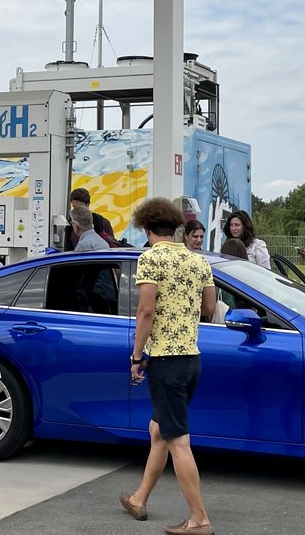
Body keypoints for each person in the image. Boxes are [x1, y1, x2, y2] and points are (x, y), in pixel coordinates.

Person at [121, 197, 216, 535]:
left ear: (145, 228)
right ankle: (138, 498)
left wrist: (136, 355)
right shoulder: (198, 261)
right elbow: (208, 307)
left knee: (177, 440)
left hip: (165, 361)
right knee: (159, 430)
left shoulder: (150, 259)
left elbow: (146, 310)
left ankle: (199, 519)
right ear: (176, 227)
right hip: (192, 358)